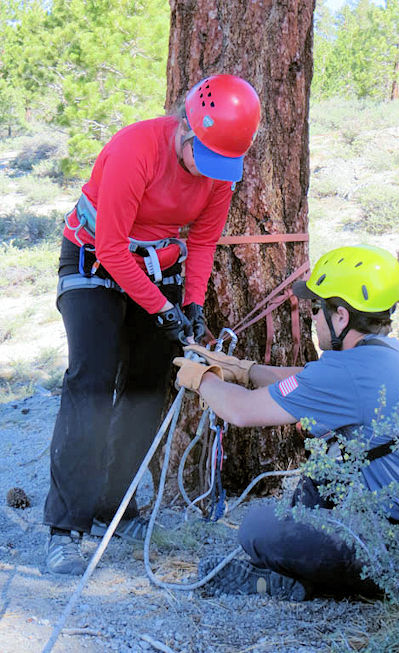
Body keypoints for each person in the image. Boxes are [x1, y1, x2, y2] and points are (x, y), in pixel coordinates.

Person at [44, 74, 261, 575]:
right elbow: (112, 249)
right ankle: (65, 527)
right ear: (185, 125)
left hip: (154, 268)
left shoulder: (220, 169)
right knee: (92, 380)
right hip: (93, 261)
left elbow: (203, 243)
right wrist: (162, 310)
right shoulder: (136, 149)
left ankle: (114, 508)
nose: (208, 172)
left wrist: (192, 304)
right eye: (201, 155)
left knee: (148, 383)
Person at [174, 244, 399, 601]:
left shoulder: (346, 371)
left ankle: (301, 581)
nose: (312, 317)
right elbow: (307, 377)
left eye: (317, 308)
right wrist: (246, 371)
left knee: (257, 528)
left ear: (341, 317)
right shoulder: (393, 354)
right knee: (324, 476)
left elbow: (242, 412)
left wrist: (202, 378)